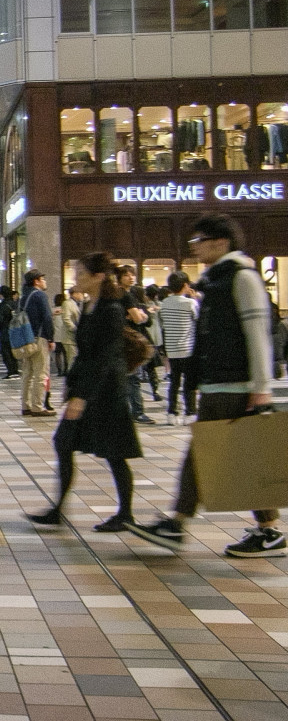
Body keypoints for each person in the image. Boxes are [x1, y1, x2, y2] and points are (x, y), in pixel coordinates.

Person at [126, 215, 284, 558]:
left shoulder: (242, 277)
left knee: (205, 455)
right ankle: (267, 530)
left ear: (220, 242)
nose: (193, 246)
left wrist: (260, 388)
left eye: (198, 239)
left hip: (236, 384)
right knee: (231, 456)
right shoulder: (218, 279)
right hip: (221, 383)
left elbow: (258, 335)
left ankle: (178, 523)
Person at [29, 252, 140, 532]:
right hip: (89, 389)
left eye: (80, 273)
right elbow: (86, 353)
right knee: (64, 443)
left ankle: (125, 514)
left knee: (115, 453)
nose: (76, 278)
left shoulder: (111, 310)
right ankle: (58, 509)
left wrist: (81, 396)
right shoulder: (91, 306)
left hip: (106, 392)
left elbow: (105, 357)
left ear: (98, 276)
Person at [116, 265, 156, 424]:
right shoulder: (126, 295)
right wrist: (143, 315)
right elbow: (138, 318)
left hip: (117, 340)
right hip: (128, 342)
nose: (131, 278)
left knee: (124, 377)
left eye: (132, 275)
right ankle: (138, 412)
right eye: (126, 275)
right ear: (120, 277)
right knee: (133, 377)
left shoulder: (113, 293)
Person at [158, 271, 199, 425]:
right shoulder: (190, 303)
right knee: (189, 383)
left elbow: (163, 323)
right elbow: (198, 319)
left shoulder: (164, 304)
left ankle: (172, 413)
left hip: (172, 349)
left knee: (174, 383)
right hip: (188, 349)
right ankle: (190, 413)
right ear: (185, 285)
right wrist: (194, 298)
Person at [19, 270, 56, 417]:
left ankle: (25, 405)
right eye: (43, 279)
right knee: (41, 373)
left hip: (26, 339)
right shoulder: (39, 295)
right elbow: (46, 318)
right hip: (40, 338)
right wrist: (51, 338)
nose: (45, 282)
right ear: (36, 281)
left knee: (27, 373)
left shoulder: (24, 297)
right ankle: (37, 406)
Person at [0, 286, 20, 380]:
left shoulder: (3, 305)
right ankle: (15, 370)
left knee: (6, 352)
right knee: (13, 351)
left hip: (5, 331)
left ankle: (11, 371)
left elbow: (0, 320)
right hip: (16, 331)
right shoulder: (15, 304)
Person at [61, 287, 82, 371]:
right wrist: (75, 329)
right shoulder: (67, 303)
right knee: (72, 361)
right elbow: (66, 319)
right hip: (69, 338)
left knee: (75, 361)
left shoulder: (77, 304)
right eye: (80, 293)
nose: (82, 295)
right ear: (74, 294)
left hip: (75, 338)